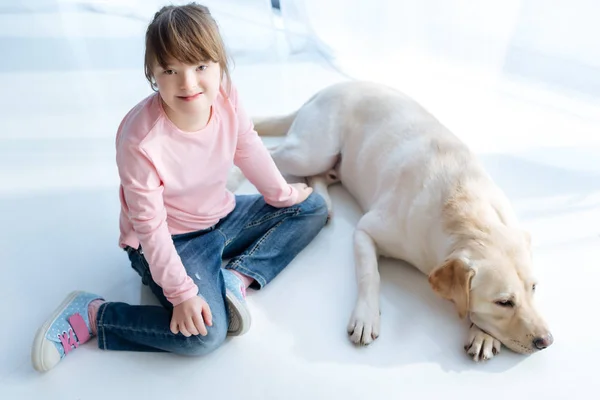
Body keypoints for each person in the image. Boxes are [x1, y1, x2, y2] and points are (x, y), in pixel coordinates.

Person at [31, 2, 328, 372]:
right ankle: (94, 316)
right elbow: (150, 226)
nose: (188, 83)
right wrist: (182, 293)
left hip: (223, 214)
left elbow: (246, 144)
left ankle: (236, 278)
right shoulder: (141, 139)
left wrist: (279, 196)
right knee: (205, 336)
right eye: (171, 70)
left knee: (312, 207)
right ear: (153, 73)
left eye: (201, 66)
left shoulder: (225, 95)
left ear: (219, 63)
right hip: (171, 240)